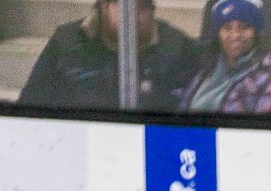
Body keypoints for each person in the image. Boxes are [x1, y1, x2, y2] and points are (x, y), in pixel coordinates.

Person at [19, 0, 198, 109]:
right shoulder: (67, 42)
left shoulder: (175, 46)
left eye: (143, 7)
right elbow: (30, 102)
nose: (134, 15)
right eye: (124, 5)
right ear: (104, 6)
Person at [178, 0, 271, 115]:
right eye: (227, 28)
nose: (235, 35)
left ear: (257, 33)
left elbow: (268, 133)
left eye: (244, 27)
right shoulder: (207, 68)